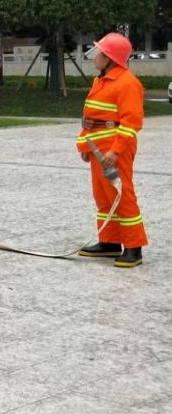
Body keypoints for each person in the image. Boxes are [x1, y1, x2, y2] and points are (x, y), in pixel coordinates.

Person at [77, 33, 148, 268]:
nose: (95, 56)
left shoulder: (128, 83)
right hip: (98, 148)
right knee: (103, 196)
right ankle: (109, 241)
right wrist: (84, 144)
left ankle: (133, 248)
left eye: (99, 52)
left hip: (114, 149)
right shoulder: (101, 80)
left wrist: (116, 151)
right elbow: (90, 118)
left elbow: (131, 123)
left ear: (110, 58)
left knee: (122, 195)